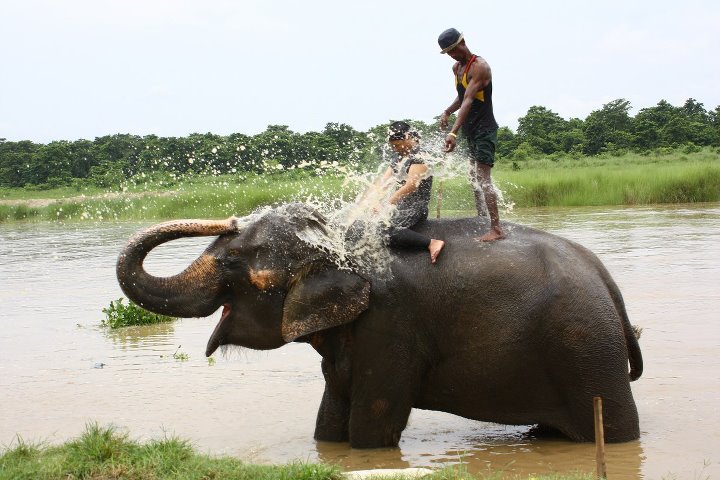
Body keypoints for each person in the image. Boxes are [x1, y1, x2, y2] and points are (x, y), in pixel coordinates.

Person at [437, 28, 505, 241]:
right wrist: (448, 111)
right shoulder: (456, 68)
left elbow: (469, 101)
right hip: (470, 130)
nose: (451, 55)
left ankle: (496, 229)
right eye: (447, 52)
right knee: (473, 176)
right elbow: (461, 96)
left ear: (462, 42)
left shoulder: (480, 67)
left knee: (484, 179)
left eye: (453, 50)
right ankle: (481, 216)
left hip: (484, 129)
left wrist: (453, 132)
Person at [356, 121, 445, 263]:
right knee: (367, 224)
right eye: (393, 146)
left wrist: (386, 203)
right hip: (400, 205)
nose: (397, 149)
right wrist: (373, 200)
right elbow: (384, 181)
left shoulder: (420, 155)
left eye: (398, 145)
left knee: (382, 231)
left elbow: (411, 185)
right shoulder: (398, 156)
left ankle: (431, 242)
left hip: (416, 207)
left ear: (408, 137)